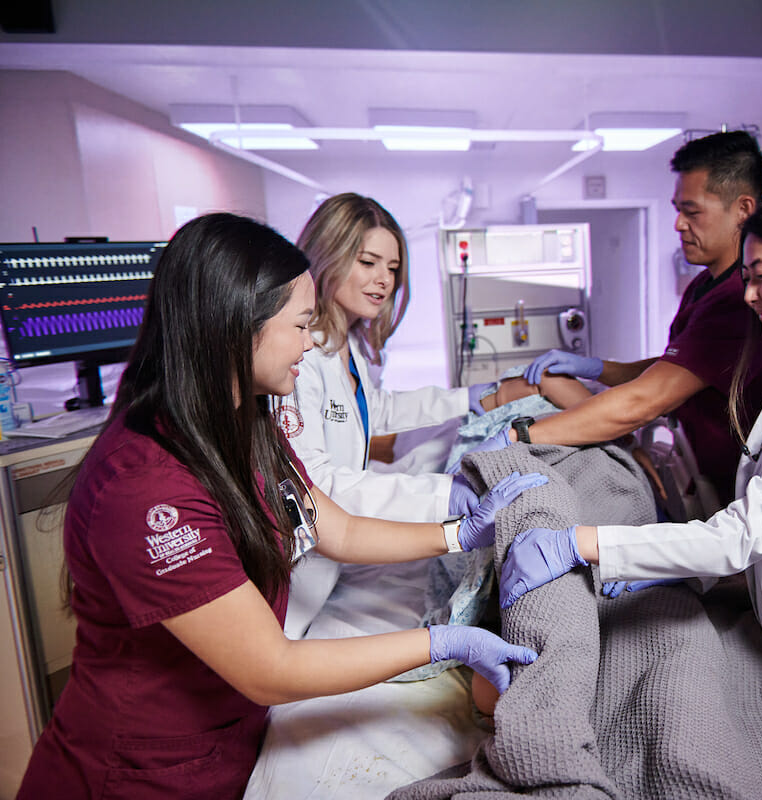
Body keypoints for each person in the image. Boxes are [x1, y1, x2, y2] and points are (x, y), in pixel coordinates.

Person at [16, 213, 542, 800]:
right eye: (299, 325)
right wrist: (445, 644)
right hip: (139, 771)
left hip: (229, 742)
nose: (313, 342)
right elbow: (272, 669)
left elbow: (330, 525)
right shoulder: (146, 490)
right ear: (237, 328)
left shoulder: (249, 419)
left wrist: (458, 534)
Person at [497, 188, 762, 799]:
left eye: (761, 276)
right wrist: (677, 577)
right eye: (747, 277)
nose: (748, 294)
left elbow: (744, 534)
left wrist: (586, 543)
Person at [275, 193, 549, 636]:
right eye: (368, 262)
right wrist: (448, 497)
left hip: (335, 562)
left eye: (393, 268)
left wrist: (470, 400)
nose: (383, 280)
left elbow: (372, 410)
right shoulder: (300, 357)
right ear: (328, 256)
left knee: (437, 445)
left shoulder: (349, 343)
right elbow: (319, 486)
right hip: (300, 583)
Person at [515, 130, 762, 505]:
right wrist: (598, 368)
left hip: (733, 491)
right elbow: (673, 370)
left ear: (743, 210)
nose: (678, 224)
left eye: (691, 211)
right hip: (693, 468)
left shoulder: (737, 300)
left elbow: (645, 399)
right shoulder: (704, 286)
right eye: (677, 209)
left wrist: (521, 436)